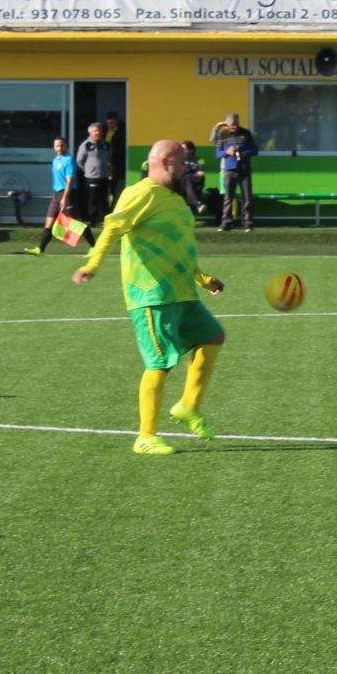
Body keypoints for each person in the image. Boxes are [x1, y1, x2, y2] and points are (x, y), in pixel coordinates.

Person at [71, 139, 228, 457]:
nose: (187, 169)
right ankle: (145, 436)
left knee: (212, 336)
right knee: (159, 363)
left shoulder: (174, 200)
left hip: (182, 293)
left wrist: (202, 278)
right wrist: (92, 265)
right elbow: (112, 228)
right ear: (166, 161)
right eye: (183, 163)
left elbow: (178, 249)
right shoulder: (140, 193)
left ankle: (187, 407)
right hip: (151, 295)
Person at [24, 136, 96, 255]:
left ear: (66, 146)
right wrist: (59, 196)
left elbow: (70, 180)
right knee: (49, 222)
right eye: (57, 145)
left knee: (75, 222)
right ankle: (40, 249)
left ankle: (94, 247)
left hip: (68, 194)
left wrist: (65, 197)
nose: (59, 147)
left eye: (62, 145)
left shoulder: (69, 160)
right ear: (54, 147)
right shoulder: (55, 161)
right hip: (57, 194)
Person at [218, 116, 259, 232]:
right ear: (227, 124)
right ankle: (226, 223)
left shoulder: (246, 133)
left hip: (244, 169)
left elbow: (255, 150)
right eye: (232, 124)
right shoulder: (222, 134)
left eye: (236, 124)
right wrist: (226, 152)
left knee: (247, 197)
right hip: (229, 170)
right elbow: (217, 153)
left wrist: (243, 153)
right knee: (228, 198)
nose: (234, 126)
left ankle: (248, 224)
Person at [75, 122, 113, 229]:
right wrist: (88, 171)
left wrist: (109, 171)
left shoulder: (106, 145)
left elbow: (109, 159)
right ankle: (92, 223)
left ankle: (106, 223)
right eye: (96, 131)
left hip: (104, 177)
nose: (98, 133)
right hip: (91, 178)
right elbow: (79, 161)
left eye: (100, 130)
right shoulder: (86, 145)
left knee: (104, 201)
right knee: (93, 201)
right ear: (90, 132)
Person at [104, 111, 127, 197]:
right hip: (108, 162)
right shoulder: (105, 131)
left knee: (118, 185)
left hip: (118, 162)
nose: (110, 125)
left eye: (112, 122)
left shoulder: (122, 131)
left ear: (116, 121)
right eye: (108, 123)